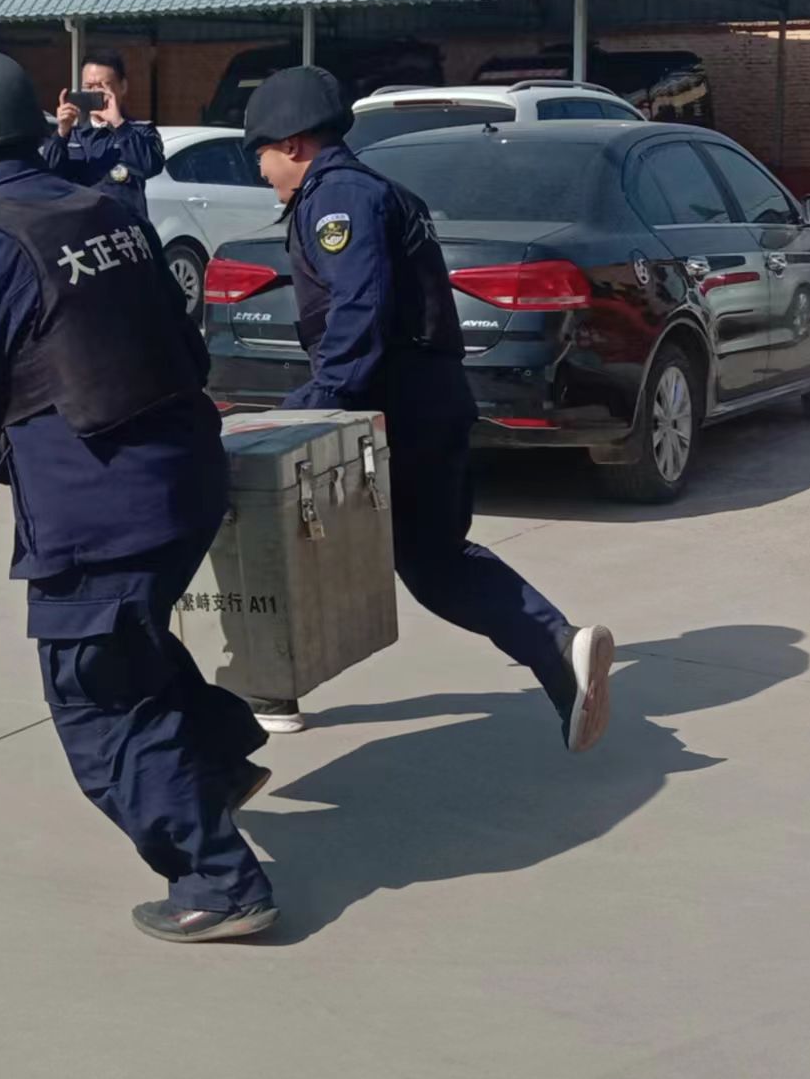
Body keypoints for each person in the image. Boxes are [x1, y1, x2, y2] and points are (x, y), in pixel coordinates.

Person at [0, 51, 279, 943]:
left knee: (98, 697)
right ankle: (217, 763)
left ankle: (219, 880)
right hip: (187, 476)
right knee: (134, 646)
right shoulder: (103, 212)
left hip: (100, 506)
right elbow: (189, 349)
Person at [240, 65, 617, 752]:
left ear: (293, 143)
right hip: (429, 398)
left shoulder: (339, 199)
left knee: (288, 540)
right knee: (436, 560)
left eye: (260, 155)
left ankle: (265, 689)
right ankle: (558, 648)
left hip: (393, 408)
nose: (262, 173)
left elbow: (360, 311)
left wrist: (312, 408)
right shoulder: (376, 191)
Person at [40, 49, 165, 222]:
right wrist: (61, 132)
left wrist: (119, 124)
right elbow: (45, 175)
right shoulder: (72, 135)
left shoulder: (139, 131)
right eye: (88, 87)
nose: (94, 93)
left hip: (125, 228)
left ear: (122, 87)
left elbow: (150, 166)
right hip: (80, 228)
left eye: (101, 87)